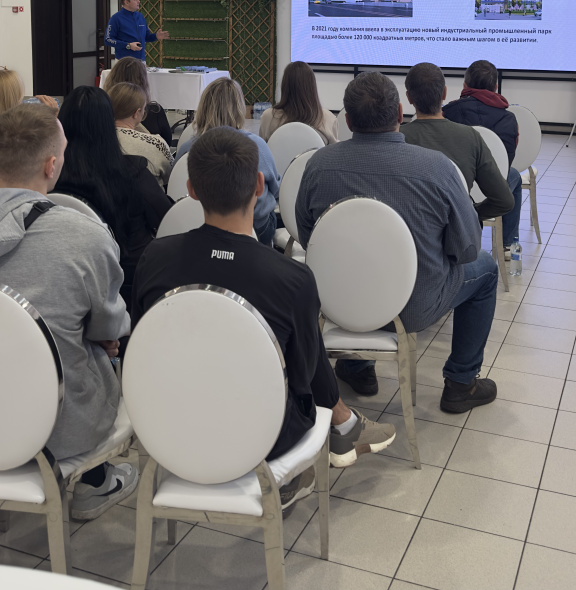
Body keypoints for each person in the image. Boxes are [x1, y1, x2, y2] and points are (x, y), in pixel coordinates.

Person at [132, 127, 396, 484]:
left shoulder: (154, 257)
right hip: (265, 436)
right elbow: (302, 376)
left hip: (169, 428)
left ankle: (344, 426)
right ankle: (339, 430)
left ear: (191, 189)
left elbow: (141, 343)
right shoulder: (291, 278)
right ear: (259, 185)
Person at [296, 71, 498, 414]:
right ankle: (461, 383)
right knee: (487, 268)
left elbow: (309, 239)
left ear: (348, 120)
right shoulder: (438, 168)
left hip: (339, 301)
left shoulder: (319, 165)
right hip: (414, 308)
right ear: (401, 113)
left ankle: (358, 368)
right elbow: (466, 250)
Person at [0, 104, 138, 519]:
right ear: (51, 165)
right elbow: (110, 327)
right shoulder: (84, 235)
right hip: (59, 427)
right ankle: (94, 484)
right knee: (96, 350)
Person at [54, 86, 172, 305]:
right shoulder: (133, 172)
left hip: (66, 280)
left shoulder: (51, 177)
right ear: (108, 124)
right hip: (127, 283)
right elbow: (165, 219)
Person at [401, 62, 514, 224]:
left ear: (408, 97)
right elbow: (504, 201)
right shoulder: (471, 137)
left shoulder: (397, 138)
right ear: (444, 93)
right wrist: (468, 214)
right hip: (457, 235)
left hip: (409, 232)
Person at [175, 76, 280, 245]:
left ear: (203, 107)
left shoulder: (187, 148)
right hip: (254, 227)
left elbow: (175, 186)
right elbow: (275, 188)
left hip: (197, 224)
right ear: (239, 108)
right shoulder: (256, 146)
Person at [443, 59, 522, 254]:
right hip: (492, 189)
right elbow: (506, 162)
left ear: (465, 85)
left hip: (454, 186)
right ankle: (507, 245)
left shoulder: (446, 113)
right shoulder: (508, 118)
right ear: (495, 88)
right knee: (514, 175)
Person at [108, 82, 173, 188]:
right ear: (136, 113)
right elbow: (170, 176)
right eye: (143, 109)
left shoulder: (94, 140)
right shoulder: (155, 144)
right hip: (148, 197)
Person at [259, 61, 338, 145]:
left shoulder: (268, 116)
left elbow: (262, 150)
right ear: (312, 87)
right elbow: (333, 152)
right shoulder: (329, 119)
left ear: (284, 86)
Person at [102, 56, 172, 145]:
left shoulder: (102, 110)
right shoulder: (154, 111)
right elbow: (167, 143)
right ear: (143, 81)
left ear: (112, 78)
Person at [105, 0, 169, 62]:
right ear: (126, 2)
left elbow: (146, 37)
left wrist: (156, 36)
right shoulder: (116, 18)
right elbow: (108, 40)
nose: (139, 1)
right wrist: (128, 45)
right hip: (124, 62)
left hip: (141, 61)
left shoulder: (140, 16)